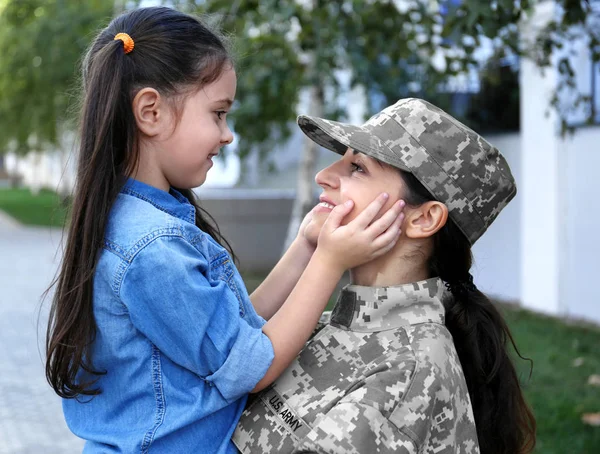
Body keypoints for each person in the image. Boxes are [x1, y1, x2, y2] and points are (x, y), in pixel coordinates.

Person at [44, 7, 406, 453]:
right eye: (218, 113)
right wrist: (331, 262)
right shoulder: (154, 248)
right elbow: (252, 366)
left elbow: (227, 331)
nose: (227, 134)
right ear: (150, 112)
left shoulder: (140, 219)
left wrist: (305, 248)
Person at [233, 98, 537, 454]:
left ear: (424, 219)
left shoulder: (407, 371)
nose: (324, 175)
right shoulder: (340, 325)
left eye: (358, 168)